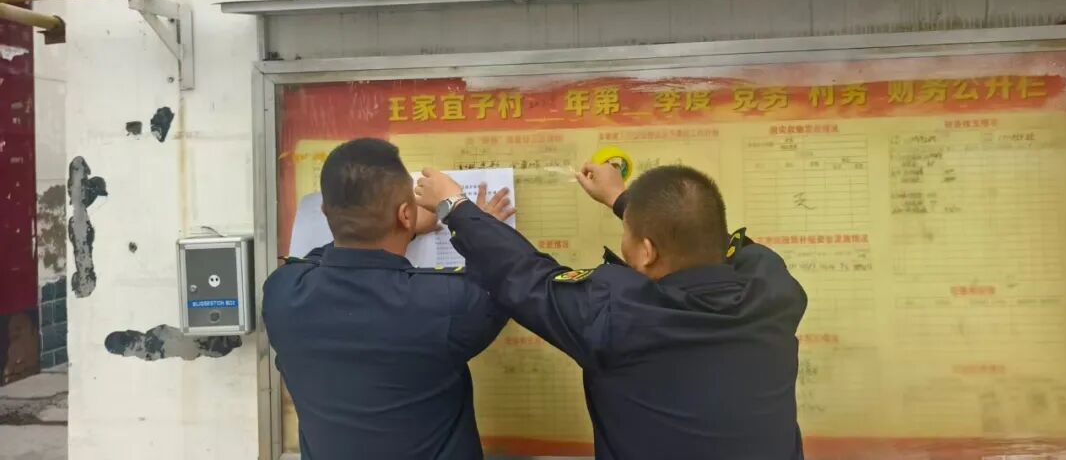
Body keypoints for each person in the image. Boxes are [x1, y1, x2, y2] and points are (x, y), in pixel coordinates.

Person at [415, 162, 807, 460]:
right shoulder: (773, 292)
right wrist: (624, 202)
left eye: (629, 236)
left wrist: (454, 205)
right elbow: (708, 238)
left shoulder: (618, 316)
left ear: (647, 251)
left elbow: (526, 275)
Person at [263, 138, 516, 460]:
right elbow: (504, 281)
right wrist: (473, 224)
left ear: (325, 212)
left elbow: (317, 259)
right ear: (406, 213)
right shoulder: (446, 304)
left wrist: (401, 228)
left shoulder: (282, 293)